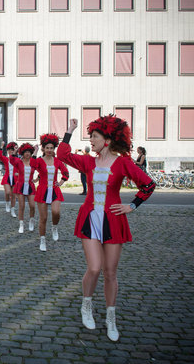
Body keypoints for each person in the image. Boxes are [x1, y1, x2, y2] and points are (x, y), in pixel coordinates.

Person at [58, 115, 155, 341]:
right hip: (89, 218)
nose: (91, 140)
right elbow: (63, 155)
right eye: (90, 136)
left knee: (110, 273)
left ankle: (111, 318)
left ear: (108, 140)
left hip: (113, 220)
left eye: (95, 136)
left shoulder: (122, 163)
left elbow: (148, 185)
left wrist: (133, 205)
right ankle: (86, 305)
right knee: (94, 268)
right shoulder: (88, 162)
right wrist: (69, 131)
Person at [34, 134, 69, 251]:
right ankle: (42, 240)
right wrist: (35, 152)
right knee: (43, 218)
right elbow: (32, 165)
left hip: (55, 190)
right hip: (42, 190)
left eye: (51, 148)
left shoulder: (57, 161)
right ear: (43, 148)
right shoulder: (39, 160)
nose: (49, 150)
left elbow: (65, 172)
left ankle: (54, 227)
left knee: (56, 212)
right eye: (47, 148)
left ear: (54, 149)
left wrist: (61, 182)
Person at [9, 143, 39, 233]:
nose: (27, 154)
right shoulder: (19, 162)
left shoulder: (33, 162)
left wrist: (37, 179)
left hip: (30, 186)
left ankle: (31, 221)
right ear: (22, 153)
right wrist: (15, 150)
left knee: (32, 206)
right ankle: (21, 224)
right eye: (25, 152)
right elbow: (11, 159)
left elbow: (42, 170)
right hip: (21, 186)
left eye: (29, 152)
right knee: (21, 206)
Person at [0, 141, 18, 217]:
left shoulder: (17, 159)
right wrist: (1, 146)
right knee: (7, 192)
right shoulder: (6, 159)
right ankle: (7, 203)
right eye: (9, 150)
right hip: (7, 177)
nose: (10, 151)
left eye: (12, 150)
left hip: (15, 178)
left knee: (13, 195)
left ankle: (12, 210)